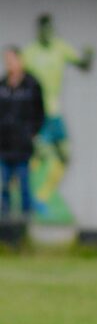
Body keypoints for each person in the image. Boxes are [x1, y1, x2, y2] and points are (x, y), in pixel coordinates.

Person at [21, 14, 94, 214]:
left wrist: (89, 56)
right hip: (37, 114)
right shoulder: (30, 52)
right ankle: (22, 194)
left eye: (50, 29)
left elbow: (83, 65)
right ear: (38, 30)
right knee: (37, 156)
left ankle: (41, 197)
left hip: (55, 113)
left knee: (64, 157)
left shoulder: (59, 47)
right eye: (44, 29)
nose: (47, 33)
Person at [0, 47, 45, 218]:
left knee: (24, 186)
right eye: (6, 60)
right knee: (4, 187)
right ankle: (5, 228)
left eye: (11, 60)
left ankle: (25, 226)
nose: (8, 64)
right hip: (4, 145)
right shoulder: (2, 85)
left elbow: (40, 112)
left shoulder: (32, 85)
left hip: (23, 145)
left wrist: (32, 133)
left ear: (20, 60)